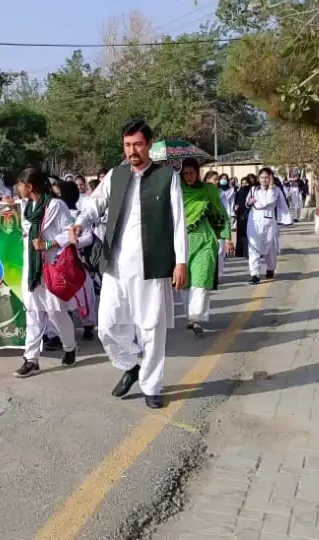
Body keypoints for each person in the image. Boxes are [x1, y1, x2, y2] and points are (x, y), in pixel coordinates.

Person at [71, 119, 188, 409]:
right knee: (107, 326)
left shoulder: (167, 177)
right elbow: (94, 205)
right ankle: (131, 365)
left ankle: (151, 385)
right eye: (127, 145)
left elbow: (178, 223)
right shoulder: (116, 174)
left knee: (152, 328)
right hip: (116, 265)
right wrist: (79, 223)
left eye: (137, 144)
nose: (132, 150)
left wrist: (181, 261)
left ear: (149, 145)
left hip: (152, 265)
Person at [12, 167, 79, 378]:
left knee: (56, 312)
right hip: (32, 269)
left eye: (20, 185)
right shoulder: (26, 206)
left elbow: (70, 234)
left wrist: (48, 244)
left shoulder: (56, 206)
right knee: (32, 312)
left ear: (29, 186)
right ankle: (31, 359)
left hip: (51, 266)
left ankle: (70, 347)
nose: (18, 189)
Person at [179, 158, 233, 335]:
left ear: (198, 173)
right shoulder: (176, 190)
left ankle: (196, 318)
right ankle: (189, 315)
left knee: (201, 280)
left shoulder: (209, 190)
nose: (188, 177)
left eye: (192, 173)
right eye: (185, 173)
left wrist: (227, 237)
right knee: (185, 281)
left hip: (204, 239)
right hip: (181, 240)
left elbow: (220, 212)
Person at [57, 179, 98, 341]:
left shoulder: (80, 216)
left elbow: (88, 237)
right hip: (60, 262)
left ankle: (88, 325)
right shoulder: (57, 215)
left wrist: (73, 241)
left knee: (85, 294)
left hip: (78, 261)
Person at [245, 167, 291, 284]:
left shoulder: (275, 190)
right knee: (253, 246)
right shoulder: (254, 189)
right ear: (258, 178)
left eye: (267, 177)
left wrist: (270, 188)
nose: (264, 180)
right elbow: (247, 202)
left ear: (271, 178)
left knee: (270, 247)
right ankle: (254, 274)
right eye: (262, 177)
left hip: (269, 221)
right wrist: (249, 202)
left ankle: (270, 268)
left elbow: (269, 201)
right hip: (254, 221)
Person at [215, 173, 236, 280]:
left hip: (219, 224)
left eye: (216, 179)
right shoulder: (202, 193)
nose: (215, 182)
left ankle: (217, 275)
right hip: (206, 227)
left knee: (219, 252)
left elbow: (227, 211)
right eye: (212, 179)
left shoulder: (221, 193)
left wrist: (228, 237)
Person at [233, 175, 253, 258]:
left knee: (247, 233)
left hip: (248, 214)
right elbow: (235, 202)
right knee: (240, 233)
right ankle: (240, 251)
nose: (244, 185)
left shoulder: (251, 192)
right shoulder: (238, 193)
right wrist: (235, 208)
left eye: (246, 183)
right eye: (243, 183)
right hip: (240, 214)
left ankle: (247, 252)